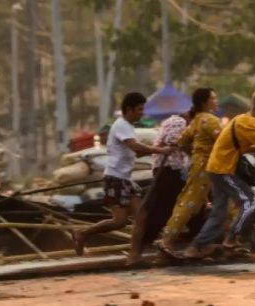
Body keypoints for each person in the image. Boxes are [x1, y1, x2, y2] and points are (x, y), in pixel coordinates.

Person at [183, 91, 255, 259]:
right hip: (222, 169)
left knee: (219, 212)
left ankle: (197, 247)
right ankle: (231, 239)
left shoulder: (242, 119)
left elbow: (237, 147)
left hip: (216, 167)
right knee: (251, 200)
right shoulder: (249, 122)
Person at [73, 92, 174, 256]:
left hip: (125, 179)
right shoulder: (121, 125)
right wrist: (161, 150)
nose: (142, 113)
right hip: (115, 179)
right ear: (129, 109)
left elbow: (136, 153)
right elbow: (135, 147)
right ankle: (82, 233)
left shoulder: (128, 127)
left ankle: (135, 255)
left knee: (141, 216)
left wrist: (161, 149)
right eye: (140, 109)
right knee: (119, 221)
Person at [157, 88, 221, 256]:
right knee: (190, 202)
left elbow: (181, 141)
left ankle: (214, 242)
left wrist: (194, 152)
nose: (216, 101)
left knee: (215, 203)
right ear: (204, 102)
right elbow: (223, 140)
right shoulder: (210, 120)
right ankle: (167, 240)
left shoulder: (196, 120)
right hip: (208, 167)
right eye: (213, 98)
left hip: (200, 165)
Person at [126, 113, 190, 264]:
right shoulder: (178, 121)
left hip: (174, 171)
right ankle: (141, 249)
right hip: (169, 170)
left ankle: (186, 243)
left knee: (179, 208)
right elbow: (172, 141)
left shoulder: (176, 121)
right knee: (163, 210)